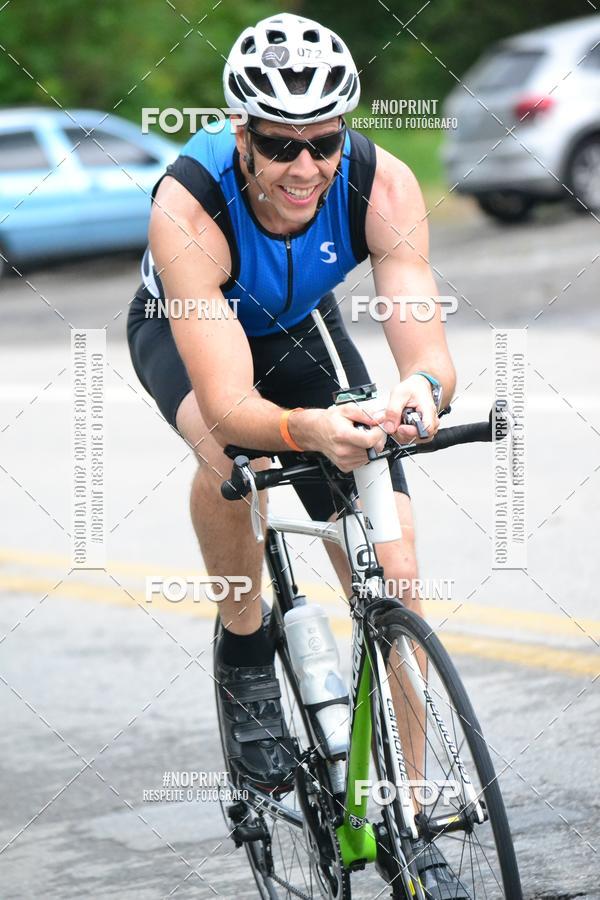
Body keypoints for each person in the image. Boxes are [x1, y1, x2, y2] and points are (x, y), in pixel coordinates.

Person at [128, 12, 461, 896]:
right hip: (193, 332)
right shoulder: (189, 205)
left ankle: (413, 814)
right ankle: (245, 643)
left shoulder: (379, 183)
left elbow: (425, 349)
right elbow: (235, 405)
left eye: (323, 141)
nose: (305, 167)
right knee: (228, 457)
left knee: (395, 575)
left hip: (298, 329)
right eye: (281, 145)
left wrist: (417, 398)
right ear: (243, 134)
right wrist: (306, 431)